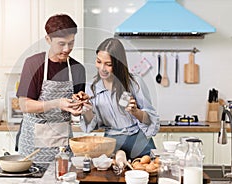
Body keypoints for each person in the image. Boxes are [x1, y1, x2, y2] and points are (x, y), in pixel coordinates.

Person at [73, 38, 160, 160]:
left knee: (148, 174)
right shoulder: (91, 88)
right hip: (112, 143)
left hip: (139, 141)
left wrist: (136, 112)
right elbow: (92, 125)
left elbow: (149, 120)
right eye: (99, 61)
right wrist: (86, 108)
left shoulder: (135, 83)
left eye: (108, 64)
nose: (102, 68)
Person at [16, 14, 85, 161]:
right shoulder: (33, 64)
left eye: (71, 43)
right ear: (48, 39)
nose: (67, 49)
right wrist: (57, 103)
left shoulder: (77, 69)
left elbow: (76, 113)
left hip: (63, 146)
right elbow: (24, 105)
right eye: (61, 44)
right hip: (33, 147)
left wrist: (79, 105)